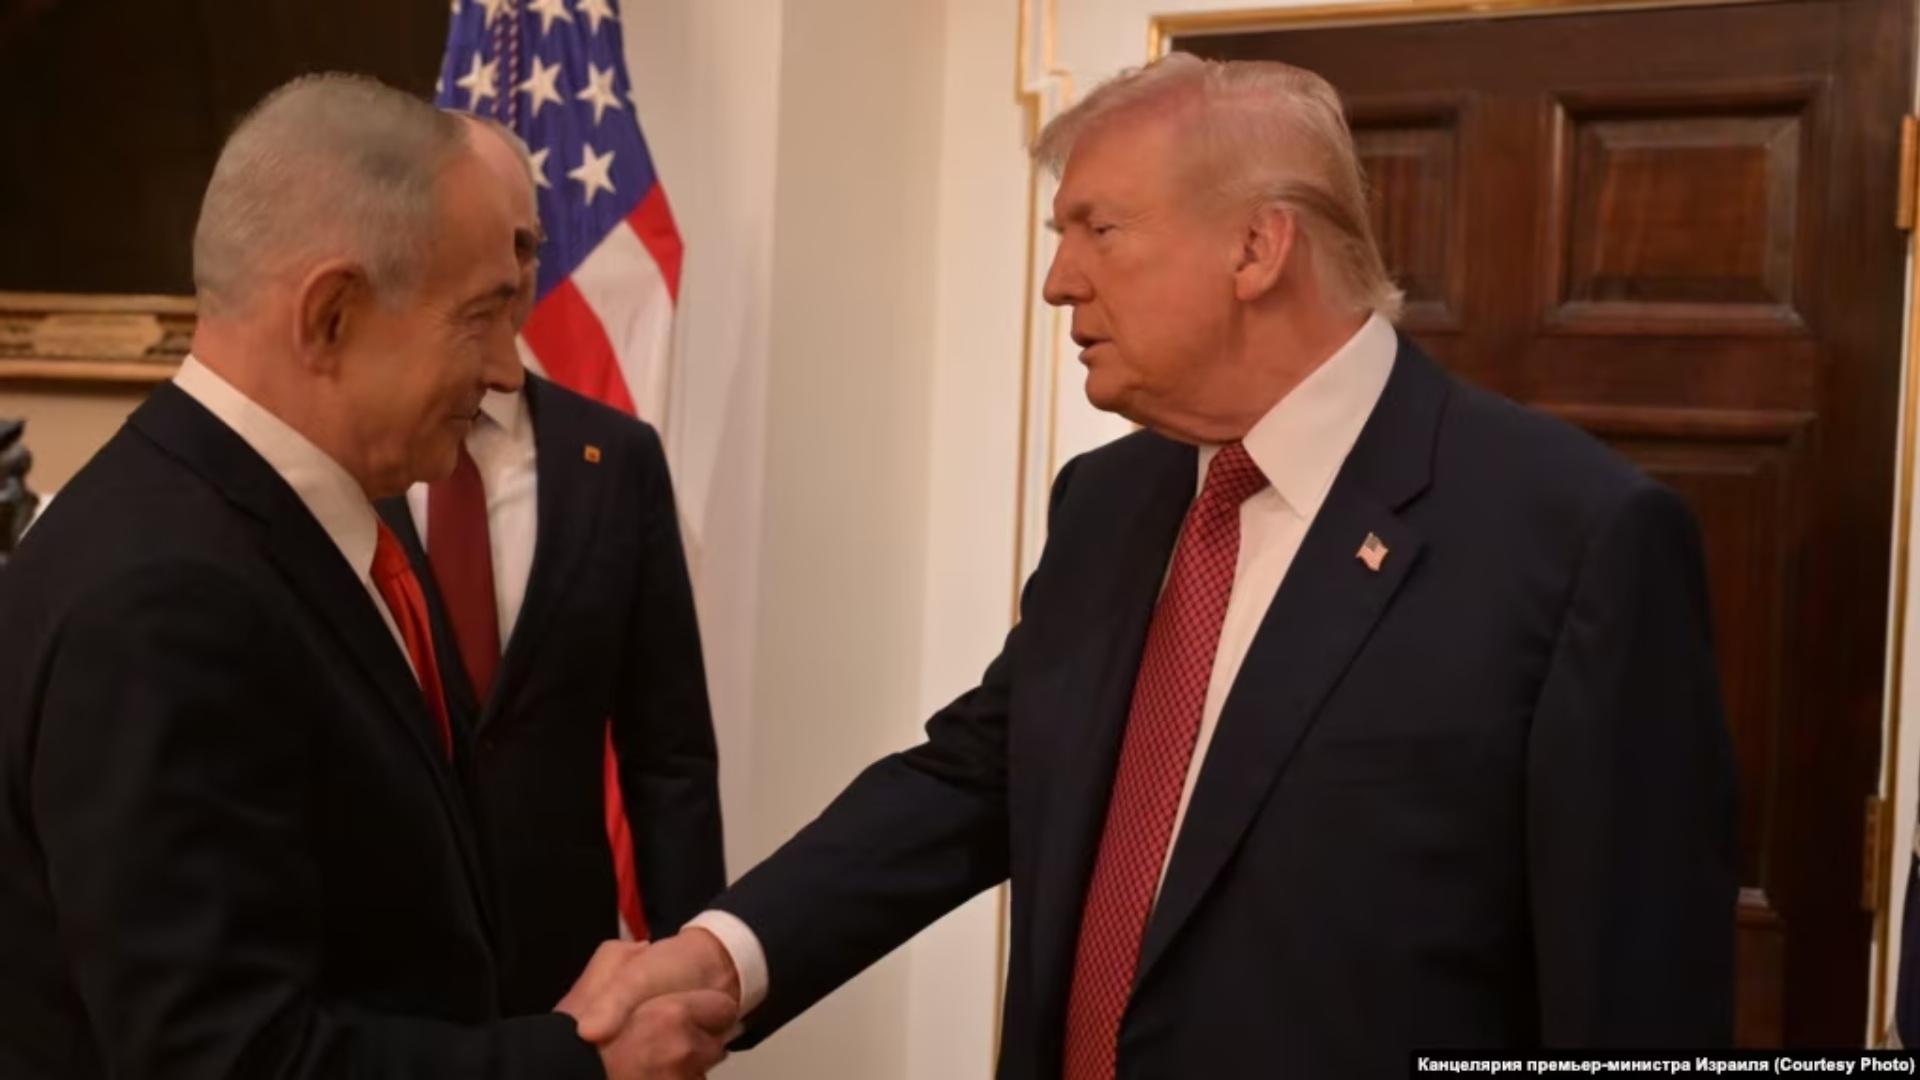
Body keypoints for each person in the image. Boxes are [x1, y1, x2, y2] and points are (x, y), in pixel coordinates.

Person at [609, 53, 1740, 1077]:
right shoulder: (1109, 501)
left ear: (1257, 247)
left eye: (1097, 230)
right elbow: (980, 777)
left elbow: (1636, 992)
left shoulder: (1574, 535)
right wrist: (725, 955)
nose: (1058, 281)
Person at [0, 74, 732, 1079]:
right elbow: (228, 1060)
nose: (505, 368)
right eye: (479, 316)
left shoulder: (276, 529)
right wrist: (578, 1065)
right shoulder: (165, 598)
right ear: (332, 315)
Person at [374, 114, 726, 1015]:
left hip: (565, 967)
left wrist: (689, 964)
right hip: (376, 960)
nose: (515, 270)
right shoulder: (351, 453)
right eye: (489, 246)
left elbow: (669, 749)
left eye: (527, 245)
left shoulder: (618, 460)